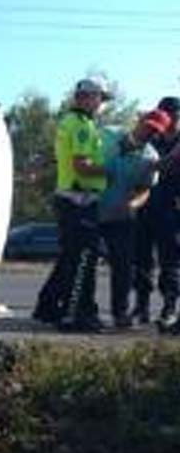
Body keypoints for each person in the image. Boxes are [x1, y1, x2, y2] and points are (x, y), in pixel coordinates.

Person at [34, 78, 111, 331]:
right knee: (84, 259)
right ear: (86, 97)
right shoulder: (80, 125)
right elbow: (81, 166)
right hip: (79, 200)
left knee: (70, 258)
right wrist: (111, 171)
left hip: (72, 199)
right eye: (99, 97)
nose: (101, 104)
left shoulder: (76, 122)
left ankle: (47, 306)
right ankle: (77, 315)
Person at [95, 110, 168, 329]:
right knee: (79, 262)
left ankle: (120, 314)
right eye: (148, 126)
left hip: (121, 217)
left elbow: (145, 189)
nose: (149, 132)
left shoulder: (151, 157)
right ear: (139, 120)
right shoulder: (107, 133)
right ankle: (69, 309)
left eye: (155, 131)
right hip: (89, 208)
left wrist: (134, 203)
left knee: (123, 267)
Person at [132, 97, 180, 325]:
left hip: (172, 209)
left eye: (176, 114)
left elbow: (164, 165)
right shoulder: (153, 139)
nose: (172, 119)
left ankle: (169, 308)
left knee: (170, 261)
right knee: (142, 259)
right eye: (168, 114)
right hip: (147, 205)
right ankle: (141, 306)